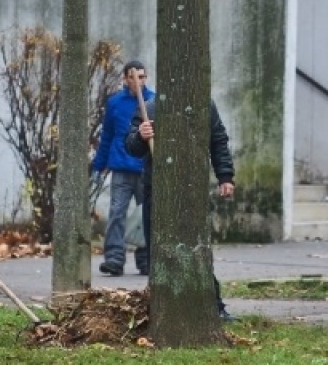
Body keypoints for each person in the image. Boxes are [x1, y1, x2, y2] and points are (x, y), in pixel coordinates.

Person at [126, 95, 236, 320]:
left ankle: (213, 305)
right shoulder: (149, 109)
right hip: (157, 189)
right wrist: (140, 135)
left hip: (192, 189)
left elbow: (218, 140)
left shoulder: (204, 105)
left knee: (196, 248)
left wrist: (225, 176)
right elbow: (131, 146)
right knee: (157, 251)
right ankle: (162, 306)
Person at [93, 60, 152, 277]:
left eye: (142, 77)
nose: (138, 81)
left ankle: (146, 259)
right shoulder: (115, 103)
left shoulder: (152, 101)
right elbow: (107, 134)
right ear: (126, 79)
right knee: (117, 213)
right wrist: (99, 164)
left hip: (145, 167)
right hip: (121, 166)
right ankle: (115, 259)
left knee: (146, 215)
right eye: (134, 77)